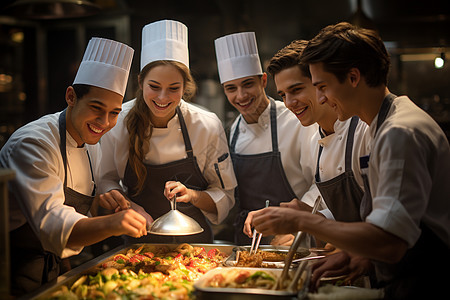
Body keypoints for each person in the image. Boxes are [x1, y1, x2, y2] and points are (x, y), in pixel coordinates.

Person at [251, 22, 450, 298]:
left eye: (322, 86)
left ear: (354, 77)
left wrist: (303, 221)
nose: (320, 98)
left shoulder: (399, 132)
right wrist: (358, 255)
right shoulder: (387, 122)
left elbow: (391, 243)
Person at [0, 37, 145, 295]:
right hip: (12, 270)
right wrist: (115, 223)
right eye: (96, 108)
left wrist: (100, 201)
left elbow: (70, 215)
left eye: (114, 112)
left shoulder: (91, 143)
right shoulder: (33, 144)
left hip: (53, 267)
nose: (105, 122)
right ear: (71, 97)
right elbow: (55, 226)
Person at [98, 20, 237, 244]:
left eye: (174, 89)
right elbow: (105, 181)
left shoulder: (207, 125)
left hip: (197, 247)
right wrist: (130, 207)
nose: (163, 98)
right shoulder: (118, 121)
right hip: (139, 242)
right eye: (154, 87)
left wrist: (193, 195)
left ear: (185, 86)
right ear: (141, 82)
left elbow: (225, 196)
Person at [214, 32, 319, 245]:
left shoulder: (297, 119)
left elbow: (321, 183)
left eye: (248, 84)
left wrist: (295, 223)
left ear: (263, 81)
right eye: (231, 88)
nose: (241, 96)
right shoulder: (232, 131)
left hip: (293, 239)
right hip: (248, 243)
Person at [265, 39, 371, 223]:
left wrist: (311, 221)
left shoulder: (365, 131)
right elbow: (336, 211)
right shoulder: (314, 141)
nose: (289, 103)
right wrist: (305, 216)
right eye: (282, 95)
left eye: (296, 90)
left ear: (319, 82)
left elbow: (384, 216)